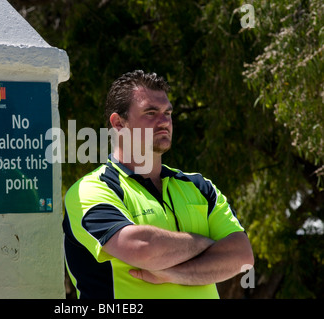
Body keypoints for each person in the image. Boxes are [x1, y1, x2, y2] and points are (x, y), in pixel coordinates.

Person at [63, 70, 254, 299]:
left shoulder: (200, 187)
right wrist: (206, 244)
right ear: (119, 123)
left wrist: (172, 274)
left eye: (168, 113)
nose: (164, 121)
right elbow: (142, 249)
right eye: (151, 112)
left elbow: (242, 257)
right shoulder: (92, 189)